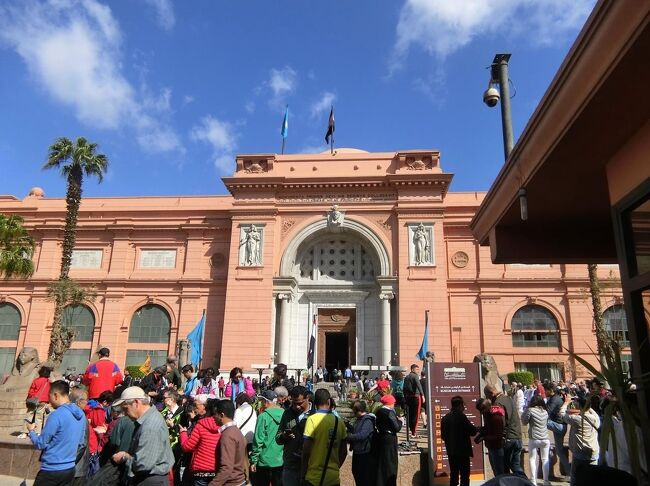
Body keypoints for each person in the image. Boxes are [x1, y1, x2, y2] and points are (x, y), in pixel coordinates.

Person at [111, 386, 175, 485]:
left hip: (150, 480)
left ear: (136, 403)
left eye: (125, 408)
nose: (125, 413)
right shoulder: (150, 419)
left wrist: (124, 457)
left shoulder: (150, 425)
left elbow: (144, 463)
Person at [27, 380, 86, 486]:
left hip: (51, 470)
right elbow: (81, 442)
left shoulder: (57, 415)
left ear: (55, 395)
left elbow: (41, 443)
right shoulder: (81, 415)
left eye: (49, 397)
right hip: (70, 469)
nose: (49, 401)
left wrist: (31, 432)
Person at [302, 388, 347, 486]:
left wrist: (303, 471)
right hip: (333, 478)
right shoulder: (339, 421)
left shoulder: (312, 420)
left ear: (314, 403)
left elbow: (306, 450)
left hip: (314, 477)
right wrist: (336, 467)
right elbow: (344, 451)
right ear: (329, 401)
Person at [485, 384, 525, 477]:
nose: (487, 398)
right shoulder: (509, 398)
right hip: (517, 437)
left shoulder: (498, 403)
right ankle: (525, 483)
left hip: (508, 439)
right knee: (516, 467)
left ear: (491, 393)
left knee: (505, 469)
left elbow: (500, 423)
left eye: (487, 395)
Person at [276, 385, 313, 486]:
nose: (297, 406)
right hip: (291, 465)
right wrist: (284, 436)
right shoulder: (287, 413)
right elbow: (278, 437)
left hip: (310, 466)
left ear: (307, 398)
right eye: (294, 403)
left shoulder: (315, 414)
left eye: (300, 403)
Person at [179, 398, 221, 486]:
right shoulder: (224, 426)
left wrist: (183, 433)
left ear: (207, 409)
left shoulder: (201, 425)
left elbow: (187, 447)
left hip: (201, 469)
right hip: (217, 469)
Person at [561, 393, 600, 486]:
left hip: (580, 453)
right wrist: (587, 405)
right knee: (592, 478)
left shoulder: (577, 420)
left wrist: (566, 403)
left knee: (575, 478)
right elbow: (590, 410)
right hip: (593, 452)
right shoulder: (595, 418)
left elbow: (562, 415)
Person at [440, 396, 478, 486]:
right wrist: (477, 429)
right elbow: (472, 431)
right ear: (460, 405)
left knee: (454, 475)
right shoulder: (461, 416)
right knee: (464, 476)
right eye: (463, 405)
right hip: (463, 452)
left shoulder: (445, 418)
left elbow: (443, 436)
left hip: (451, 452)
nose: (464, 407)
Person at [250, 390, 284, 486]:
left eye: (261, 400)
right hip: (279, 460)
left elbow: (258, 440)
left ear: (266, 402)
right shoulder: (284, 414)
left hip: (264, 461)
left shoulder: (263, 417)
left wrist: (253, 460)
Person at [211, 399, 248, 486]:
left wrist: (213, 484)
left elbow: (226, 467)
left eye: (215, 414)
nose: (213, 417)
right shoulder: (236, 431)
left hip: (232, 482)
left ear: (221, 415)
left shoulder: (228, 435)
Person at [346, 400, 377, 486]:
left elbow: (362, 435)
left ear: (358, 410)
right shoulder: (359, 420)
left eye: (354, 410)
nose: (353, 413)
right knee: (357, 475)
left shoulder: (367, 421)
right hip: (357, 453)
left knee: (364, 479)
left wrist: (348, 436)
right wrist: (349, 427)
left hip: (365, 455)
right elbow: (356, 431)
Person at [522, 395, 551, 486]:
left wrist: (526, 410)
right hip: (545, 438)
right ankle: (546, 481)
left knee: (532, 459)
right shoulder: (546, 412)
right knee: (545, 459)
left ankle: (533, 481)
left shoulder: (530, 410)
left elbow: (524, 421)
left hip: (534, 438)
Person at [544, 384, 571, 480]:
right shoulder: (553, 398)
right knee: (559, 451)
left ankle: (570, 472)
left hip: (559, 426)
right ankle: (570, 473)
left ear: (551, 390)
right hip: (559, 426)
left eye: (545, 390)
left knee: (539, 419)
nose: (544, 392)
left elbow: (546, 412)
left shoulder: (555, 399)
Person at [375, 394, 402, 486]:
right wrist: (401, 421)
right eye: (393, 402)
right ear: (390, 403)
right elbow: (397, 427)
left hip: (381, 437)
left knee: (382, 462)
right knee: (390, 463)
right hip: (390, 439)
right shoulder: (390, 412)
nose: (394, 404)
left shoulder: (378, 411)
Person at [476, 398, 505, 477]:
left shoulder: (496, 417)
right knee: (496, 472)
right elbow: (488, 429)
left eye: (482, 410)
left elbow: (498, 436)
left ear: (487, 408)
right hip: (491, 447)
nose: (481, 413)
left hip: (497, 448)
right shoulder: (487, 415)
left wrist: (484, 438)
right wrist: (480, 430)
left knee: (499, 474)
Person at [20, 365, 52, 438]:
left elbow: (31, 391)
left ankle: (25, 432)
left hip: (34, 401)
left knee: (29, 416)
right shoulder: (49, 382)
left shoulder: (36, 380)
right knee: (39, 417)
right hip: (43, 401)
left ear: (40, 372)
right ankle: (38, 432)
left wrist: (30, 397)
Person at [404, 364, 426, 436]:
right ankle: (414, 432)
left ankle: (411, 428)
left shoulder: (406, 377)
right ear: (412, 369)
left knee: (410, 414)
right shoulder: (415, 376)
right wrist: (422, 395)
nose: (418, 371)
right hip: (416, 397)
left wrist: (405, 397)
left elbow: (404, 388)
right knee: (416, 414)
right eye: (417, 369)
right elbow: (418, 385)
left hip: (408, 397)